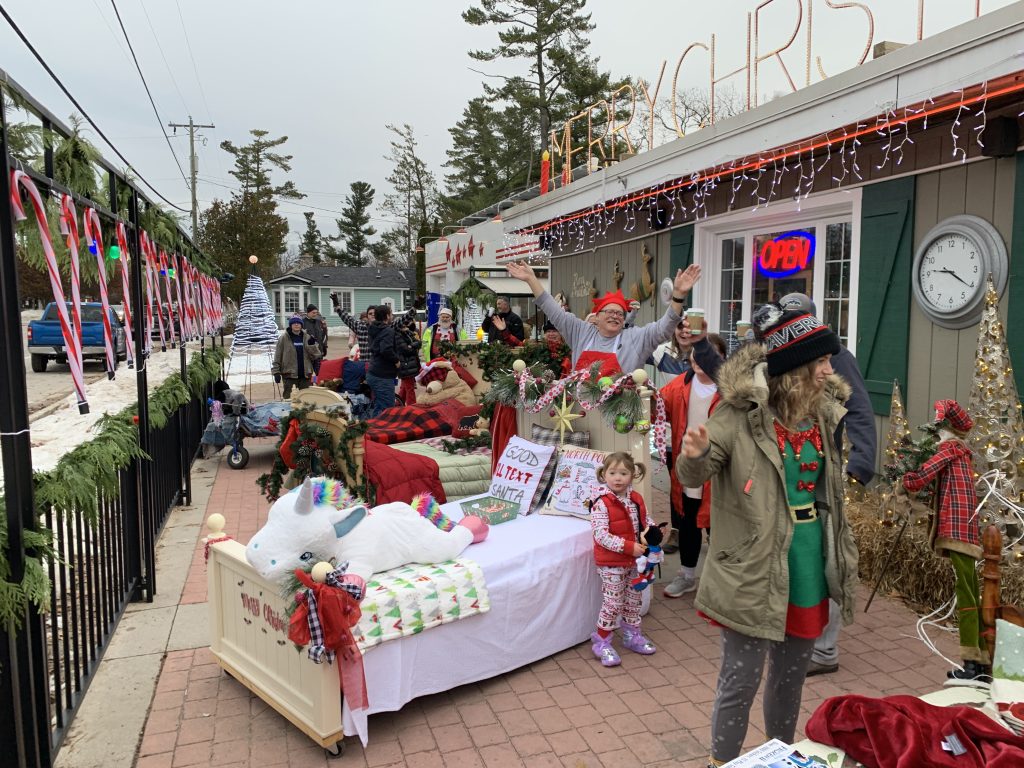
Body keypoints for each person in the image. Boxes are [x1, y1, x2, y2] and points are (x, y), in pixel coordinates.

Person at [677, 303, 858, 767]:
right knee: (741, 678)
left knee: (789, 678)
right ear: (795, 368)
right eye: (820, 362)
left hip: (807, 559)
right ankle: (723, 763)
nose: (828, 370)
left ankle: (781, 758)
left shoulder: (820, 414)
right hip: (753, 566)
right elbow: (700, 464)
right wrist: (694, 455)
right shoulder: (740, 415)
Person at [775, 293, 876, 677]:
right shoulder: (778, 355)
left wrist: (860, 465)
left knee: (830, 556)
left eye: (799, 320)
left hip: (825, 472)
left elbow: (860, 410)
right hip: (787, 472)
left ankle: (825, 648)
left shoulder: (833, 356)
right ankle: (796, 633)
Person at [507, 260, 702, 377]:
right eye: (608, 312)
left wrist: (678, 296)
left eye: (619, 313)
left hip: (621, 418)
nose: (614, 316)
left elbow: (664, 328)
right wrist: (532, 280)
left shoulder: (635, 338)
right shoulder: (580, 332)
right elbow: (552, 309)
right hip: (581, 415)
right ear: (596, 317)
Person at [661, 334, 727, 599]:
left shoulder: (731, 390)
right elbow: (657, 409)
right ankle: (687, 576)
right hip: (688, 466)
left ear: (720, 358)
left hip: (720, 471)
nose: (699, 359)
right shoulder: (679, 385)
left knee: (720, 526)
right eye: (695, 353)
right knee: (687, 523)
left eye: (708, 353)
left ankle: (721, 581)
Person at [589, 451, 658, 667]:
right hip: (611, 563)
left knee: (633, 600)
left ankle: (632, 636)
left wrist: (653, 533)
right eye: (612, 472)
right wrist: (629, 547)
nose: (617, 478)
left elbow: (645, 521)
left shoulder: (636, 498)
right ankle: (601, 642)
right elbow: (600, 535)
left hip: (634, 562)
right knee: (613, 602)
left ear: (632, 475)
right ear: (604, 474)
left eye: (623, 473)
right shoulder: (601, 503)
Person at [330, 294, 420, 364]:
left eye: (374, 313)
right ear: (367, 316)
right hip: (364, 364)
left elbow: (402, 320)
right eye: (370, 313)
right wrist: (337, 305)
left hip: (379, 366)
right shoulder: (360, 326)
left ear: (378, 315)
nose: (372, 314)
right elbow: (346, 318)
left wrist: (414, 307)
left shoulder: (386, 327)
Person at [272, 315, 322, 398]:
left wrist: (312, 345)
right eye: (294, 323)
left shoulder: (307, 337)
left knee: (306, 400)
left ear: (301, 325)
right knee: (290, 400)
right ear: (290, 325)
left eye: (298, 323)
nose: (296, 325)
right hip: (290, 376)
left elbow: (316, 356)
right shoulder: (283, 338)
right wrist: (276, 372)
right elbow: (278, 356)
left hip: (306, 376)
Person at [366, 305, 399, 417]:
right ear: (386, 316)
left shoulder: (373, 328)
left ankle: (373, 429)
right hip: (382, 376)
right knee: (387, 409)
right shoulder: (387, 331)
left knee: (379, 406)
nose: (392, 316)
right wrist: (396, 361)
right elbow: (386, 349)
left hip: (373, 372)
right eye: (391, 314)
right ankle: (384, 431)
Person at [395, 316, 422, 406]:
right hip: (405, 366)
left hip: (410, 365)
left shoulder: (407, 333)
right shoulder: (397, 335)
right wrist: (412, 346)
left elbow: (419, 342)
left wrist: (412, 345)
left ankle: (398, 405)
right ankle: (412, 407)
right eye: (404, 325)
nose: (406, 327)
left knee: (404, 387)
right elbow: (405, 350)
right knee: (409, 388)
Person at [302, 304, 329, 372]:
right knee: (309, 372)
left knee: (318, 372)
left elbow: (324, 335)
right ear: (308, 312)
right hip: (308, 353)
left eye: (316, 313)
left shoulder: (319, 322)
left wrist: (324, 346)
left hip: (318, 352)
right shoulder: (303, 323)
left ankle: (315, 382)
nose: (315, 314)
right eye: (313, 313)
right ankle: (311, 382)